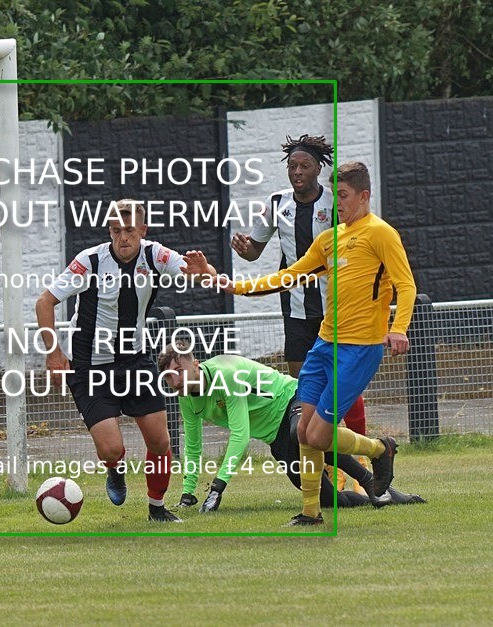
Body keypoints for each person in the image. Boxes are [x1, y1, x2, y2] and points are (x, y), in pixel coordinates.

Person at [219, 161, 417, 525]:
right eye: (335, 194)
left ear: (364, 195)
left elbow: (406, 286)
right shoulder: (328, 240)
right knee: (304, 434)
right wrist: (237, 287)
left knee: (319, 434)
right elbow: (288, 276)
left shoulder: (382, 234)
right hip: (324, 347)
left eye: (343, 195)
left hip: (359, 350)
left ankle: (379, 450)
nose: (337, 203)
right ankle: (311, 513)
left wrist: (399, 327)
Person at [35, 199, 217, 523]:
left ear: (142, 230)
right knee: (110, 449)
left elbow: (195, 274)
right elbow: (45, 302)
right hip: (90, 367)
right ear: (109, 232)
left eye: (130, 230)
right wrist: (54, 352)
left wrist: (207, 273)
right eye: (116, 231)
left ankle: (157, 508)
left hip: (135, 361)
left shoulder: (155, 255)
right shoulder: (89, 262)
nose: (123, 238)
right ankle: (115, 470)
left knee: (161, 441)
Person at [231, 134, 368, 488]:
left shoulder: (335, 204)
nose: (297, 172)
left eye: (304, 166)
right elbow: (254, 253)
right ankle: (323, 472)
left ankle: (360, 463)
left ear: (319, 169)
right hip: (294, 311)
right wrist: (245, 247)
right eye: (292, 166)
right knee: (301, 391)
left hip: (336, 310)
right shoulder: (276, 204)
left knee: (344, 387)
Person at [157, 342, 424, 512]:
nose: (175, 380)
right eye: (168, 376)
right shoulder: (187, 399)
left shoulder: (225, 374)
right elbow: (193, 447)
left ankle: (376, 459)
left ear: (195, 364)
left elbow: (241, 434)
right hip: (275, 437)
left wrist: (218, 486)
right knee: (327, 500)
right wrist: (188, 493)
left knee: (305, 433)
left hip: (291, 399)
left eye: (178, 370)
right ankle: (380, 498)